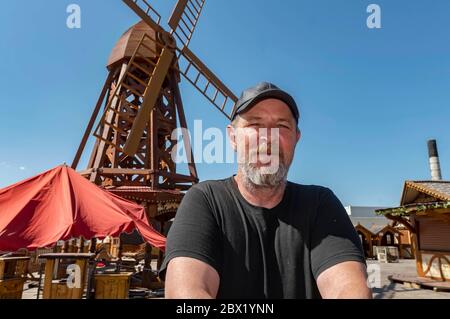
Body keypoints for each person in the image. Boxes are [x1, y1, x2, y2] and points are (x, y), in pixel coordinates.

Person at [159, 82, 372, 299]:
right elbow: (187, 294)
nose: (268, 138)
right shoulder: (206, 200)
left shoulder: (320, 203)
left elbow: (348, 288)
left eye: (281, 126)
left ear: (296, 139)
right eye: (254, 124)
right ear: (233, 138)